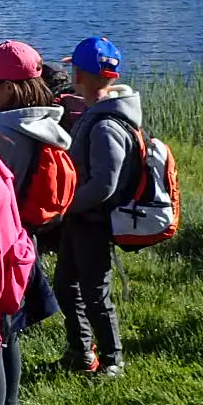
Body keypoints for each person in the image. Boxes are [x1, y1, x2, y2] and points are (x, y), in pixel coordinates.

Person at [0, 41, 72, 405]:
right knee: (8, 334)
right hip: (25, 242)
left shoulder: (5, 135)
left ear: (12, 87)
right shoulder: (44, 122)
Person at [56, 36, 144, 380]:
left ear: (79, 75)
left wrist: (65, 206)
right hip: (80, 218)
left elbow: (104, 185)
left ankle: (112, 361)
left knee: (94, 293)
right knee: (67, 287)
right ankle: (80, 351)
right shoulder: (100, 113)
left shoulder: (106, 124)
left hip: (92, 220)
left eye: (73, 71)